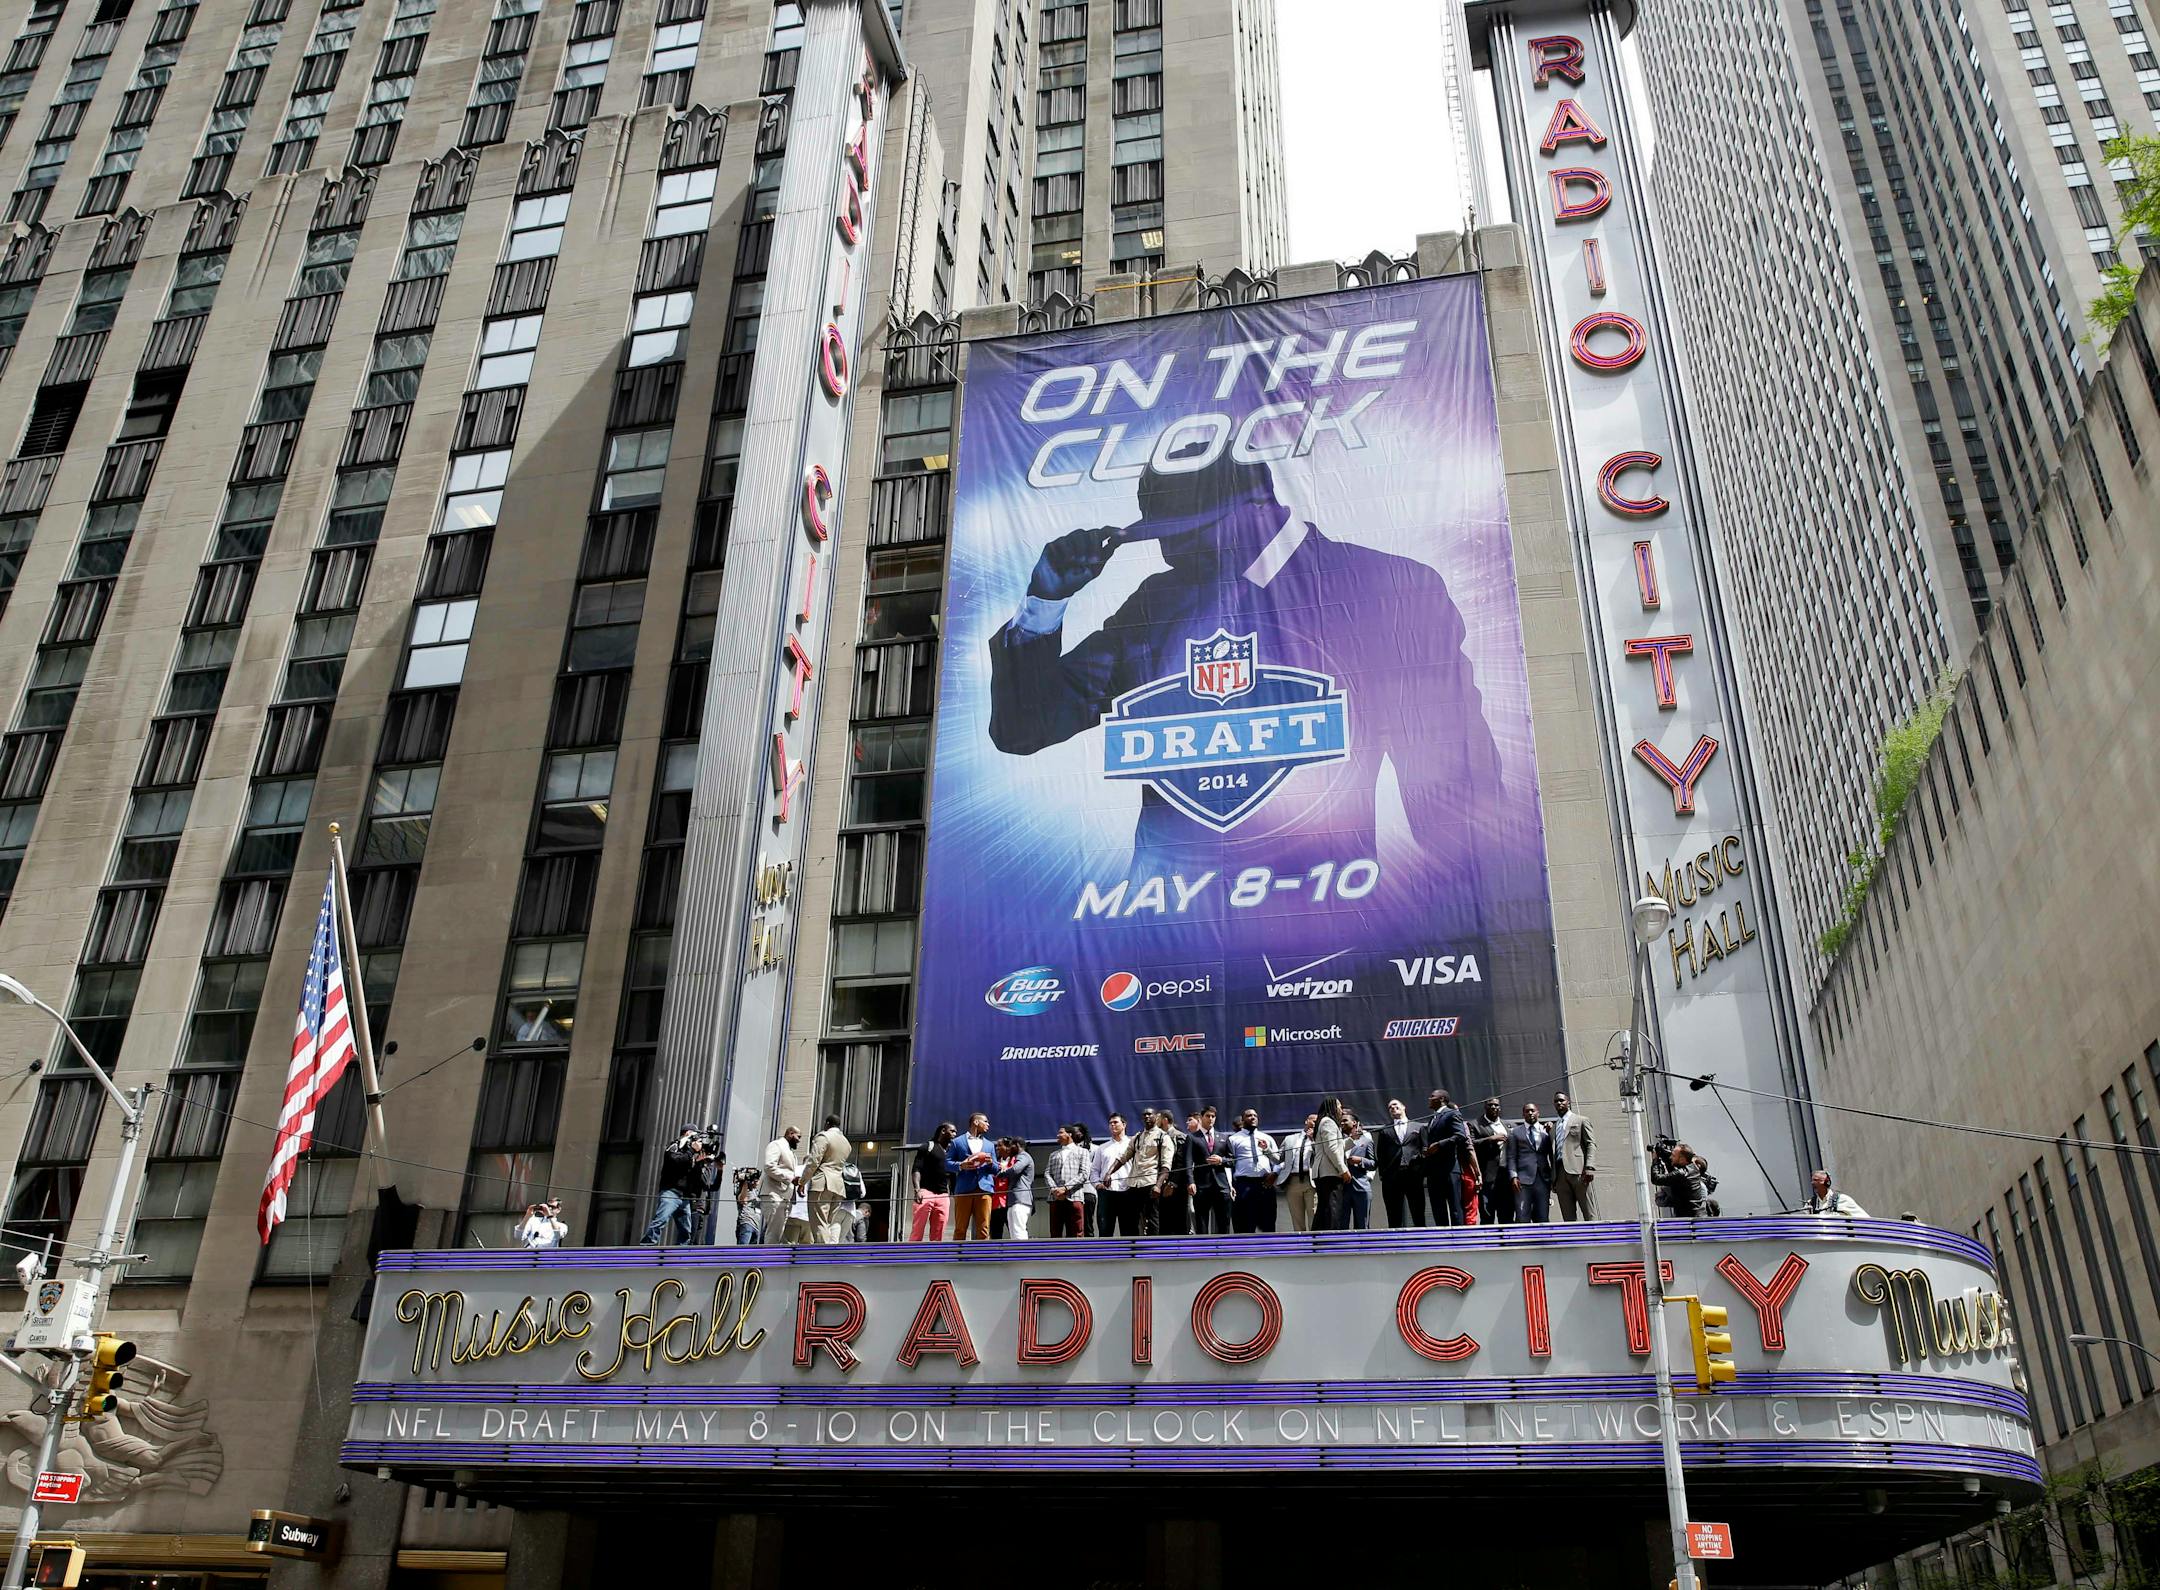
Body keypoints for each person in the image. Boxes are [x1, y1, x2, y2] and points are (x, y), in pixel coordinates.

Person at [984, 446, 1508, 936]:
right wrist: (1044, 603)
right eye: (1160, 533)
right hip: (1161, 938)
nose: (1170, 549)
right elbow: (1025, 727)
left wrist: (1468, 937)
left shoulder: (1389, 588)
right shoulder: (1155, 603)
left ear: (1257, 501)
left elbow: (1455, 793)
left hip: (1325, 929)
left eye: (1188, 529)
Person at [643, 1125, 712, 1246]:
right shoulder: (675, 1145)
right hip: (671, 1191)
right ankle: (647, 1247)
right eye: (695, 1136)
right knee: (661, 1220)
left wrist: (699, 1163)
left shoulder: (692, 1154)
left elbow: (696, 1179)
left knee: (686, 1230)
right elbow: (675, 1160)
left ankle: (680, 1253)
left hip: (684, 1196)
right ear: (688, 1133)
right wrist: (691, 1151)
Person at [1122, 1109, 1178, 1236]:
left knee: (1152, 1218)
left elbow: (1166, 1166)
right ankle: (1133, 1249)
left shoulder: (1163, 1137)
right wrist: (1109, 1173)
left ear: (1156, 1117)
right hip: (1133, 1183)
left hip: (1151, 1183)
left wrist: (1158, 1186)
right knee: (1131, 1219)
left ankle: (1153, 1250)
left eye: (1150, 1114)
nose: (1147, 1116)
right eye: (1144, 1115)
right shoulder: (1137, 1137)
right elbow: (1123, 1157)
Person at [1373, 1098, 1426, 1228]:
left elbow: (1424, 1148)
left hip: (1414, 1175)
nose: (1392, 1107)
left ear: (1403, 1107)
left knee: (1417, 1210)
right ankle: (1395, 1239)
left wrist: (1423, 1169)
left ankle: (1422, 1238)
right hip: (1392, 1177)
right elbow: (1381, 1154)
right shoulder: (1385, 1130)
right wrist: (1383, 1175)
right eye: (1389, 1107)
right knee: (1393, 1212)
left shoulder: (1418, 1127)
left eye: (1395, 1105)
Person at [1420, 1089, 1469, 1226]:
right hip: (1434, 1171)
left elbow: (1460, 1135)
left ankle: (1459, 1239)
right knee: (1437, 1208)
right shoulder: (1432, 1118)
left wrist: (1439, 1145)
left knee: (1455, 1207)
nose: (1429, 1099)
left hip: (1449, 1169)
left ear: (1441, 1099)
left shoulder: (1451, 1114)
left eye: (1432, 1096)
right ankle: (1443, 1238)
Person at [947, 1112, 999, 1241]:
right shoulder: (957, 1142)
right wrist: (960, 1165)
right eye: (985, 1122)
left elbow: (996, 1169)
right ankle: (958, 1257)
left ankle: (982, 1258)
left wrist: (991, 1163)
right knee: (960, 1228)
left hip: (984, 1188)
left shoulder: (990, 1145)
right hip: (964, 1189)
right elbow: (946, 1163)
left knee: (984, 1228)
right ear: (976, 1122)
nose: (988, 1124)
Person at [1227, 1108, 1278, 1232]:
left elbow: (1278, 1160)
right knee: (1244, 1224)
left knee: (1268, 1223)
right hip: (1244, 1184)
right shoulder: (1234, 1139)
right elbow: (1229, 1163)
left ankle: (1269, 1250)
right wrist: (1230, 1186)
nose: (1253, 1117)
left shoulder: (1266, 1138)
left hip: (1265, 1184)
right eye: (1249, 1115)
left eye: (1255, 1115)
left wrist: (1274, 1174)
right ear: (1243, 1119)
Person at [804, 1115, 852, 1244]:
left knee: (819, 1223)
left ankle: (821, 1257)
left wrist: (802, 1182)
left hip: (822, 1182)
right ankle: (827, 1252)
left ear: (827, 1123)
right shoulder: (846, 1143)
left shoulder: (824, 1137)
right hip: (838, 1186)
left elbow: (813, 1161)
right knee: (828, 1223)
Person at [1551, 1090, 1597, 1221]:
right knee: (1568, 1216)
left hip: (1579, 1171)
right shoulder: (1554, 1127)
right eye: (1556, 1101)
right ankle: (1574, 1241)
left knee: (1589, 1211)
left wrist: (1589, 1167)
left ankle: (1596, 1238)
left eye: (1561, 1100)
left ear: (1568, 1102)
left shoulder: (1581, 1120)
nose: (1559, 1103)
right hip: (1560, 1174)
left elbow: (1591, 1144)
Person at [1187, 1106, 1233, 1234]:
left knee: (1223, 1222)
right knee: (1201, 1223)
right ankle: (1203, 1251)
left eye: (1213, 1116)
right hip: (1202, 1185)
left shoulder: (1223, 1137)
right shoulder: (1192, 1137)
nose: (1210, 1119)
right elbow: (1188, 1162)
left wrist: (1221, 1160)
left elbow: (1233, 1160)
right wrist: (1191, 1182)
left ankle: (1223, 1251)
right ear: (1201, 1118)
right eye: (1207, 1116)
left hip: (1221, 1185)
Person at [1505, 1102, 1554, 1222]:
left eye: (1533, 1110)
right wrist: (1513, 1176)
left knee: (1543, 1216)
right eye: (1527, 1111)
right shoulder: (1515, 1132)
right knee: (1522, 1215)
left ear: (1538, 1113)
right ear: (1523, 1114)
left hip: (1543, 1179)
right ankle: (1523, 1240)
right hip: (1522, 1180)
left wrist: (1554, 1177)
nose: (1530, 1113)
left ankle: (1543, 1240)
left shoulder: (1546, 1131)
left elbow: (1552, 1154)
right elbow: (1511, 1156)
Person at [910, 1122, 956, 1241]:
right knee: (917, 1230)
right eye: (952, 1131)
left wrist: (954, 1193)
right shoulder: (927, 1147)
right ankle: (911, 1256)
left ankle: (936, 1257)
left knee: (939, 1232)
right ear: (943, 1131)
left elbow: (952, 1174)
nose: (955, 1134)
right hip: (925, 1193)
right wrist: (917, 1190)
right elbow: (916, 1169)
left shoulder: (951, 1152)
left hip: (943, 1195)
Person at [1091, 1114, 1136, 1235]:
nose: (1112, 1125)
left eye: (1115, 1122)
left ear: (1124, 1125)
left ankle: (1131, 1254)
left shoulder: (1133, 1144)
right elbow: (1094, 1170)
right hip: (1106, 1192)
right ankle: (1105, 1254)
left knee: (1129, 1230)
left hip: (1128, 1191)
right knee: (1105, 1230)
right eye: (1110, 1123)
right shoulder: (1102, 1148)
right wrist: (1097, 1185)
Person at [1276, 1113, 1320, 1233]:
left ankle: (1315, 1246)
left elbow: (1321, 1156)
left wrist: (1314, 1140)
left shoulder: (1319, 1139)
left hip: (1310, 1180)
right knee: (1297, 1218)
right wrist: (1266, 1149)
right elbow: (1279, 1158)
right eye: (1314, 1120)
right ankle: (1301, 1245)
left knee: (1314, 1215)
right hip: (1293, 1181)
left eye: (1318, 1121)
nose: (1316, 1123)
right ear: (1306, 1121)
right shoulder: (1290, 1139)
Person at [1469, 1097, 1509, 1226]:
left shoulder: (1508, 1125)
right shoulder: (1475, 1124)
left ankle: (1507, 1243)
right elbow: (1471, 1144)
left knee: (1506, 1213)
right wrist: (1491, 1139)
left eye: (1496, 1105)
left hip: (1506, 1176)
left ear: (1500, 1108)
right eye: (1490, 1105)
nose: (1493, 1107)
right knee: (1487, 1213)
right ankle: (1489, 1244)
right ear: (1485, 1107)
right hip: (1487, 1175)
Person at [759, 1125, 804, 1242]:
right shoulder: (776, 1145)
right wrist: (790, 1178)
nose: (799, 1140)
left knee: (778, 1235)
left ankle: (772, 1258)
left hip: (783, 1197)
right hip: (774, 1195)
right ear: (790, 1133)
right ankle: (769, 1259)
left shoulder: (790, 1152)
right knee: (774, 1235)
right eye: (798, 1136)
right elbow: (769, 1167)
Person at [1310, 1098, 1348, 1231]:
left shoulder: (1325, 1122)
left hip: (1325, 1173)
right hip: (1329, 1173)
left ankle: (1317, 1241)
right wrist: (1343, 1169)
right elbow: (1331, 1149)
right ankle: (1330, 1241)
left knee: (1324, 1209)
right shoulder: (1328, 1122)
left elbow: (1337, 1146)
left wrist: (1353, 1139)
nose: (1341, 1110)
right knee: (1332, 1209)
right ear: (1332, 1107)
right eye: (1339, 1106)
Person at [1157, 1112, 1197, 1236]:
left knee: (1179, 1221)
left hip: (1176, 1186)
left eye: (1157, 1118)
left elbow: (1181, 1162)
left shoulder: (1178, 1136)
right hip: (1163, 1183)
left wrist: (1172, 1183)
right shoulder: (1161, 1136)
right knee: (1164, 1222)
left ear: (1164, 1120)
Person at [1046, 1125, 1089, 1237]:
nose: (1058, 1135)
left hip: (1074, 1196)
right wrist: (1054, 1189)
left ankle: (1076, 1254)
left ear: (1069, 1134)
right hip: (1055, 1197)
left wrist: (1065, 1188)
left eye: (1061, 1132)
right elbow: (1047, 1174)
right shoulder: (1053, 1155)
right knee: (1055, 1231)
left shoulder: (1082, 1152)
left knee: (1077, 1232)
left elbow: (1084, 1174)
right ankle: (1056, 1254)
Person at [1650, 1140, 1709, 1218]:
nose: (1671, 1157)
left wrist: (1655, 1160)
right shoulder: (1694, 1169)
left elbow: (1656, 1179)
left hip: (1690, 1221)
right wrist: (1665, 1156)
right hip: (1694, 1218)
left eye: (1673, 1156)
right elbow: (1674, 1173)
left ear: (1682, 1159)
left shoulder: (1683, 1174)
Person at [1342, 1110, 1376, 1230]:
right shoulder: (1336, 1141)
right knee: (1341, 1225)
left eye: (1345, 1120)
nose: (1342, 1123)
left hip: (1361, 1187)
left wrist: (1360, 1160)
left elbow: (1373, 1164)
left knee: (1362, 1225)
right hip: (1342, 1189)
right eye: (1341, 1121)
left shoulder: (1366, 1141)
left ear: (1354, 1122)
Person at [998, 1137, 1037, 1239]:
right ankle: (1016, 1253)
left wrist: (1002, 1173)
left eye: (1011, 1146)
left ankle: (1022, 1253)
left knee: (1018, 1230)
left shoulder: (1023, 1156)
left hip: (1021, 1199)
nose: (1008, 1149)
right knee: (1014, 1231)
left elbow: (1015, 1169)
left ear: (1017, 1145)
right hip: (1014, 1200)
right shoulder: (1019, 1157)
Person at [732, 1165, 760, 1246]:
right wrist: (745, 1182)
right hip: (746, 1222)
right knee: (742, 1251)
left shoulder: (756, 1191)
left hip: (756, 1225)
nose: (756, 1180)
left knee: (751, 1256)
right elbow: (742, 1200)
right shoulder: (743, 1188)